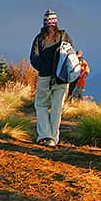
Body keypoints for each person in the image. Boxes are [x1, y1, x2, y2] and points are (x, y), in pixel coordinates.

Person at [29, 9, 74, 147]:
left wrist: (43, 69)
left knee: (41, 105)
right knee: (56, 108)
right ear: (56, 23)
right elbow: (71, 57)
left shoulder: (39, 38)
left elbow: (34, 59)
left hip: (44, 77)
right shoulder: (64, 36)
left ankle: (44, 135)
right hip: (61, 78)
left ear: (44, 23)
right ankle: (53, 138)